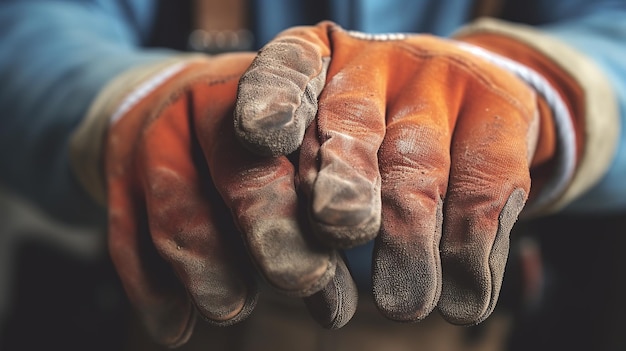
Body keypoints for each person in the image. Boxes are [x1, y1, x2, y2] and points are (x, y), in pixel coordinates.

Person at [1, 0, 625, 350]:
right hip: (192, 322)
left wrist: (548, 94)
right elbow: (34, 27)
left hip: (476, 328)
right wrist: (135, 102)